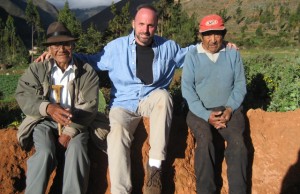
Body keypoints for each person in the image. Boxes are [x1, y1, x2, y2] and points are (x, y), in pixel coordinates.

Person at [36, 5, 237, 194]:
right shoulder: (116, 48)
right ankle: (121, 190)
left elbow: (191, 53)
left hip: (151, 99)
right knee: (116, 136)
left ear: (156, 26)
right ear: (134, 24)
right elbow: (91, 60)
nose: (145, 30)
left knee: (163, 96)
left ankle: (155, 168)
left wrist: (219, 44)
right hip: (122, 104)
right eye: (141, 24)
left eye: (150, 25)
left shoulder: (168, 47)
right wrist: (57, 52)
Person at [15, 22, 100, 194]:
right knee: (45, 152)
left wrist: (69, 133)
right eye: (55, 44)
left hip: (76, 122)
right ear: (49, 48)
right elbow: (24, 93)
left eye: (66, 44)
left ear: (73, 45)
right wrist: (48, 108)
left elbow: (90, 106)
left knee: (77, 151)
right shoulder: (37, 69)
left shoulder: (86, 72)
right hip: (44, 122)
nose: (61, 49)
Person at [181, 14, 248, 194]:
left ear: (224, 34)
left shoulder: (232, 54)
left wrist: (230, 108)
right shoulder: (192, 56)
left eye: (217, 34)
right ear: (201, 35)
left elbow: (240, 85)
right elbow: (187, 90)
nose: (213, 39)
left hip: (229, 109)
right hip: (199, 111)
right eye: (208, 34)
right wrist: (205, 115)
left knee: (238, 143)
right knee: (205, 141)